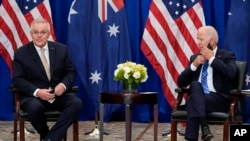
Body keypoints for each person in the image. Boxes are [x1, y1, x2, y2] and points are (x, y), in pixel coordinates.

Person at [12, 18, 82, 141]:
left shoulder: (61, 49)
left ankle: (50, 139)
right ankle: (48, 136)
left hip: (57, 95)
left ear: (48, 34)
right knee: (34, 108)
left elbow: (70, 72)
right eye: (36, 32)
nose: (39, 36)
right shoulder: (21, 53)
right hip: (33, 96)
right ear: (31, 34)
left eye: (43, 32)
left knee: (76, 103)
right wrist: (37, 92)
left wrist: (63, 85)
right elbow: (17, 79)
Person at [177, 26, 237, 141]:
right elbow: (181, 82)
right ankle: (204, 128)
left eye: (201, 39)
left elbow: (231, 74)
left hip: (219, 99)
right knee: (195, 86)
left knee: (191, 100)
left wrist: (212, 59)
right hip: (200, 97)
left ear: (212, 41)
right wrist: (194, 65)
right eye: (197, 39)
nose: (198, 42)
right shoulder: (195, 57)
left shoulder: (227, 56)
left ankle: (193, 136)